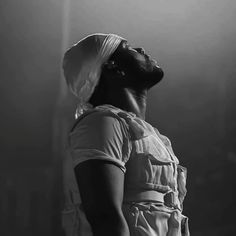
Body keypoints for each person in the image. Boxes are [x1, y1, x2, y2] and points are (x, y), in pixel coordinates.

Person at [62, 33, 189, 236]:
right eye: (128, 48)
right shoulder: (101, 123)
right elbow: (105, 217)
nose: (141, 50)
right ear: (113, 66)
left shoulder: (147, 134)